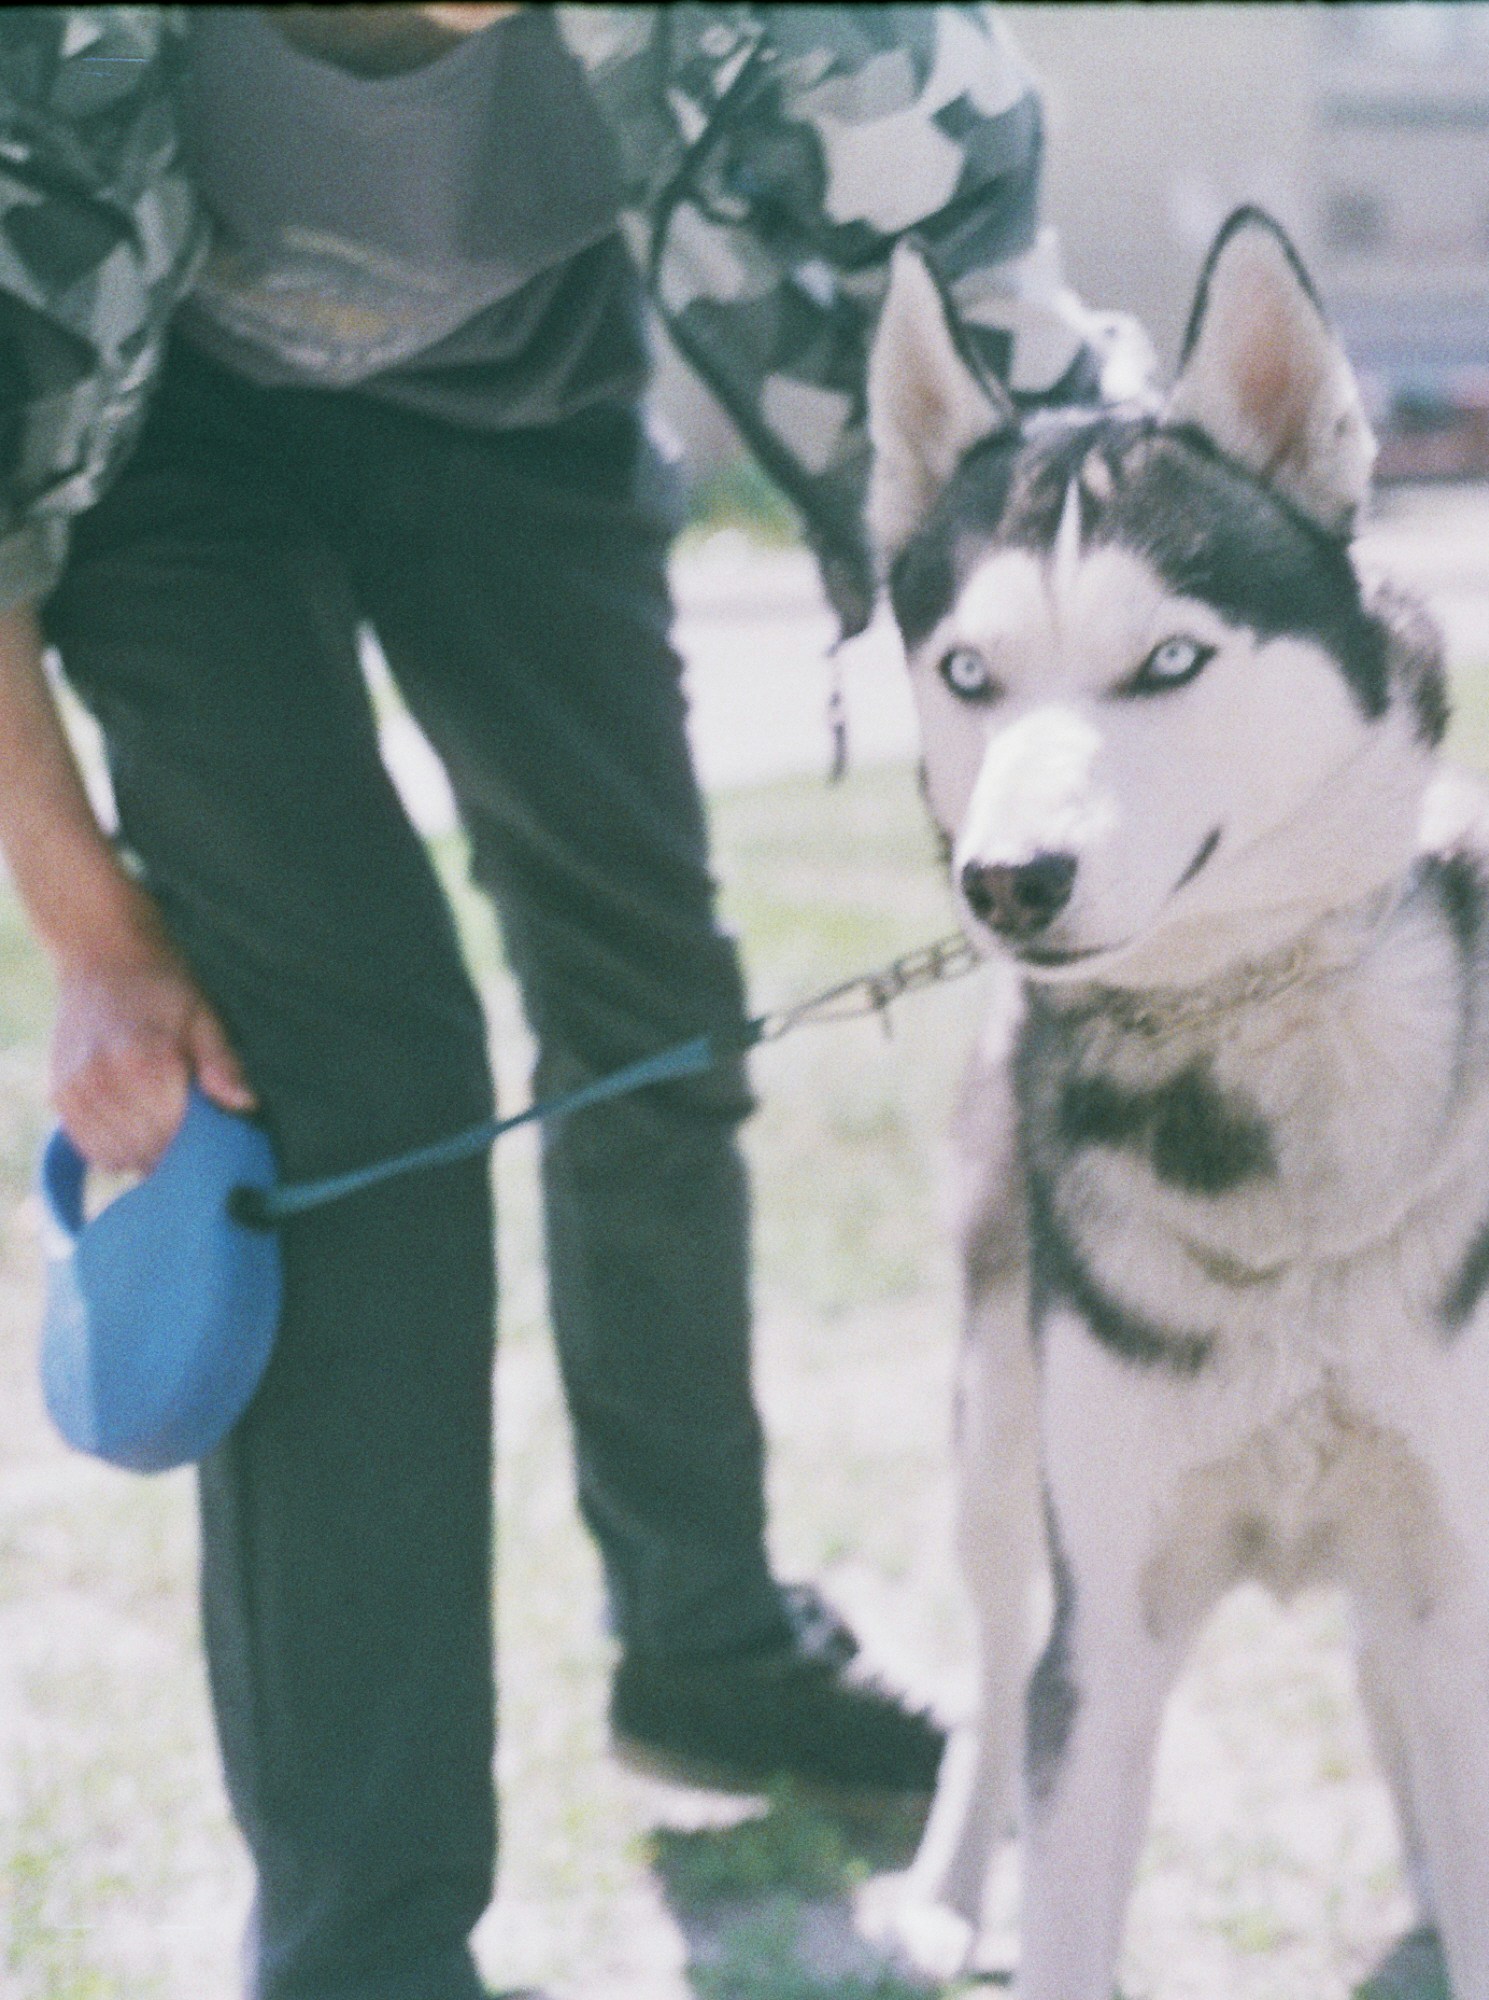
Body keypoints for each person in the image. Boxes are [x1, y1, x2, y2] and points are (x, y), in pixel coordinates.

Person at [0, 9, 1142, 1996]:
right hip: (166, 454)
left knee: (652, 1004)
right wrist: (96, 932)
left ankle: (706, 1649)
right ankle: (365, 1934)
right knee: (361, 1071)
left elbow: (1021, 354)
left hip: (524, 431)